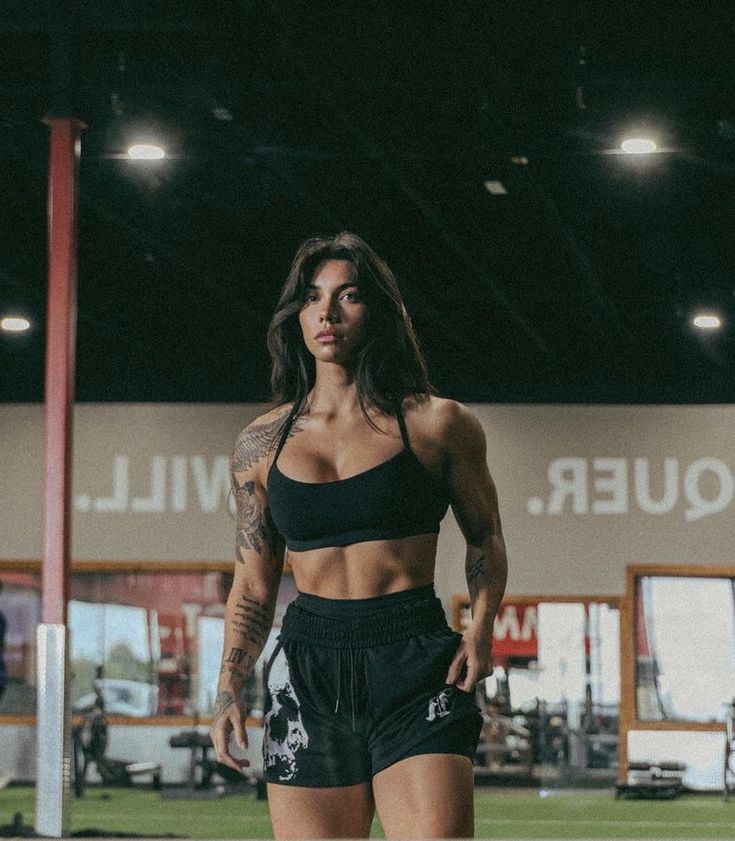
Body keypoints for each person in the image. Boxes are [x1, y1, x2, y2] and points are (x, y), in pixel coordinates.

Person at [210, 231, 508, 839]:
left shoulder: (438, 424)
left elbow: (485, 539)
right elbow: (254, 583)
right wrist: (227, 690)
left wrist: (480, 629)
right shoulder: (259, 445)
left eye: (348, 296)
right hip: (308, 669)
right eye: (313, 298)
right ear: (296, 315)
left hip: (415, 663)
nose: (327, 312)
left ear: (378, 312)